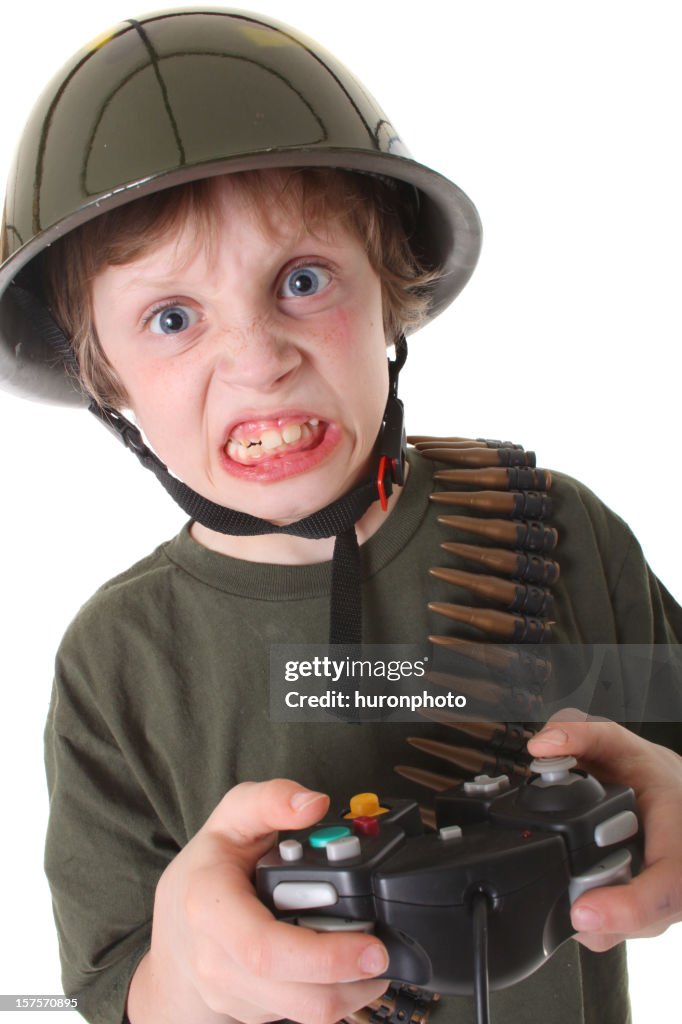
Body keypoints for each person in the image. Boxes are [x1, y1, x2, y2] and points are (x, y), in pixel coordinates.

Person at [0, 8, 680, 1024]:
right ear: (105, 379)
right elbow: (112, 985)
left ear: (391, 296)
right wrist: (186, 975)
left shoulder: (557, 532)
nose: (257, 359)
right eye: (172, 317)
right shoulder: (118, 660)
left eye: (303, 280)